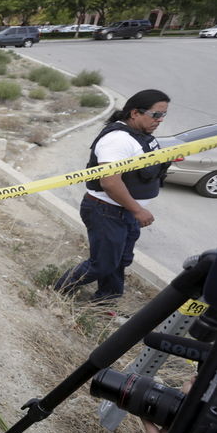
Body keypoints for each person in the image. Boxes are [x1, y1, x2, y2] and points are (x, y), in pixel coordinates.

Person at [55, 89, 172, 304]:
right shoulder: (118, 140)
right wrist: (138, 210)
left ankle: (105, 301)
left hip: (122, 212)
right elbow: (110, 182)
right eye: (156, 115)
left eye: (164, 115)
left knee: (120, 260)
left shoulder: (140, 135)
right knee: (103, 263)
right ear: (135, 113)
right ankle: (58, 291)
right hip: (106, 211)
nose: (160, 120)